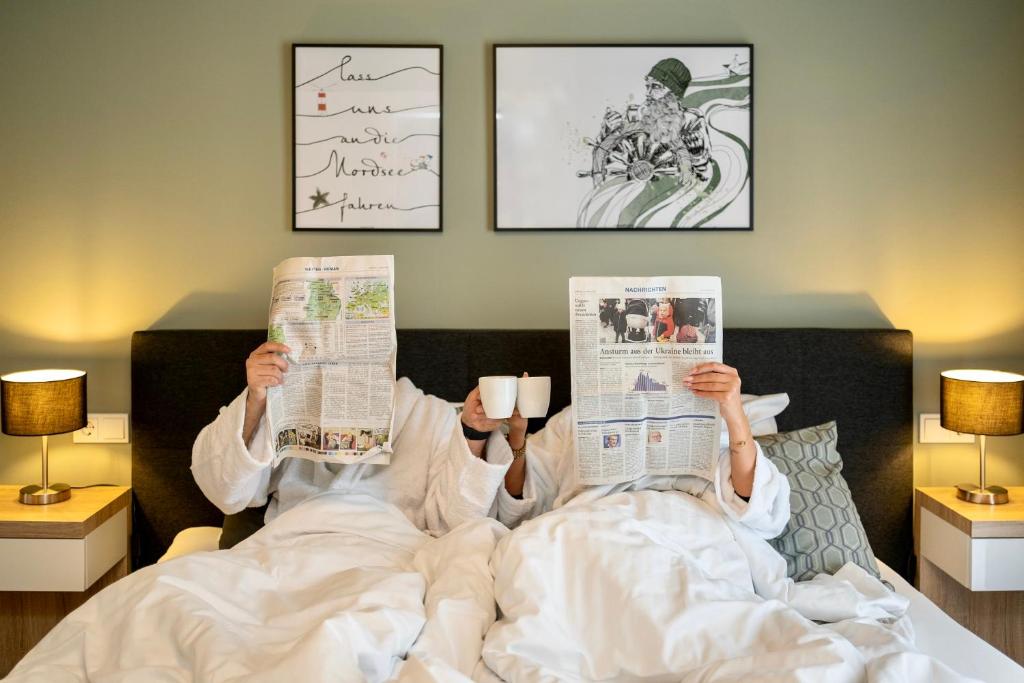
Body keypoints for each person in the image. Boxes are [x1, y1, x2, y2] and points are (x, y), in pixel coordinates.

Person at [192, 342, 518, 536]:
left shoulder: (431, 416)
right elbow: (226, 492)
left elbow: (456, 524)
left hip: (387, 555)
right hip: (291, 549)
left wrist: (474, 432)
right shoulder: (288, 409)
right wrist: (255, 400)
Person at [493, 362, 790, 540]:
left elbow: (753, 499)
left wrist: (734, 412)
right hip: (593, 527)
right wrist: (518, 435)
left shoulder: (710, 415)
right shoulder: (576, 418)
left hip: (687, 528)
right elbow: (523, 503)